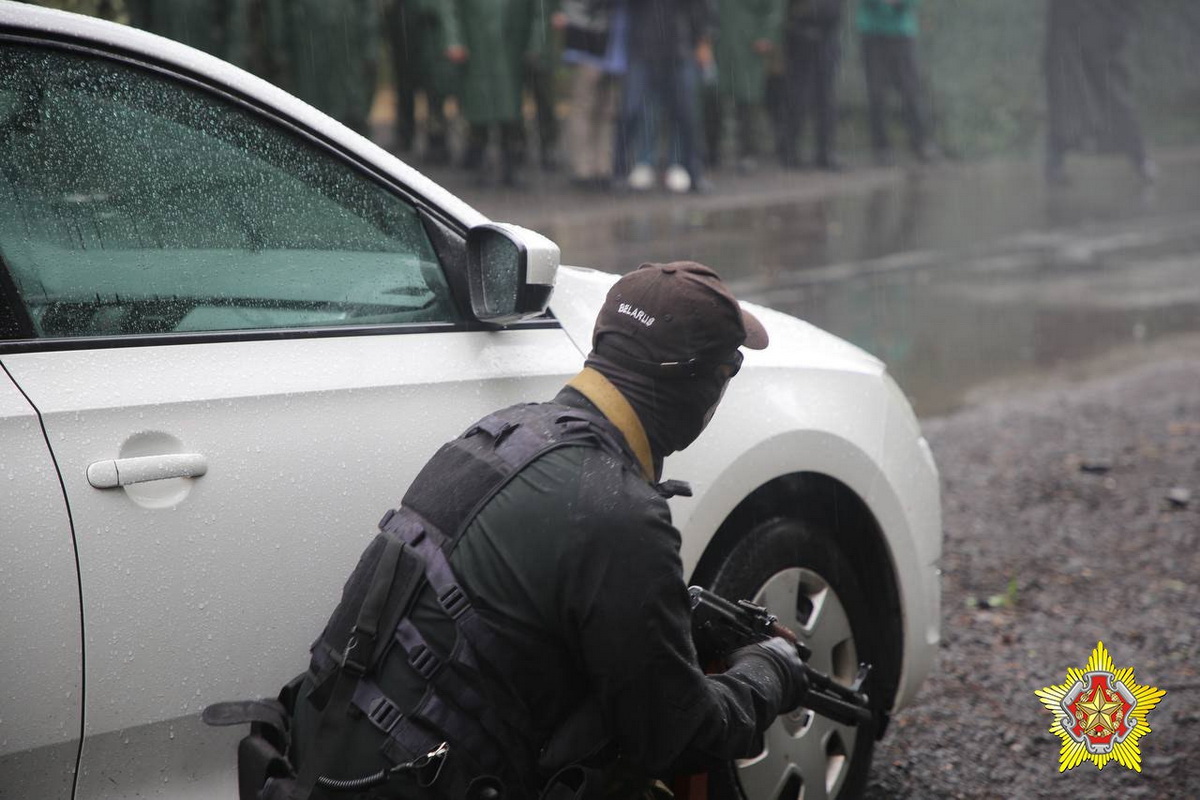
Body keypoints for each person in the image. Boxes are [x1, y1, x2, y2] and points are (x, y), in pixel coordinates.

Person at [279, 262, 810, 799]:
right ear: (690, 381)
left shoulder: (504, 434)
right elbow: (676, 735)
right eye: (728, 370)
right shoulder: (617, 510)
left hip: (318, 769)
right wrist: (769, 672)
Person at [1043, 0, 1156, 185]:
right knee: (1065, 101)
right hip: (1069, 34)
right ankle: (1054, 165)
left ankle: (1141, 159)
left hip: (1102, 36)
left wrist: (1119, 28)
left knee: (1116, 97)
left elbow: (1127, 9)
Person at [439, 0, 538, 187]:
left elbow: (536, 11)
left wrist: (535, 43)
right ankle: (480, 165)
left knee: (510, 110)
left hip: (510, 48)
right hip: (477, 46)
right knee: (479, 110)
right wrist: (454, 40)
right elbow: (450, 8)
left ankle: (510, 167)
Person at [617, 0, 712, 193]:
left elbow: (702, 7)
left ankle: (692, 172)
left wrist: (703, 40)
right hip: (642, 49)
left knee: (686, 114)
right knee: (631, 111)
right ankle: (620, 172)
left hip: (678, 49)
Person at [261, 0, 381, 136]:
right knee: (306, 126)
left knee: (350, 131)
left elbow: (368, 15)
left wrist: (370, 51)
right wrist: (278, 52)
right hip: (305, 55)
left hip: (345, 55)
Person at [706, 0, 783, 173]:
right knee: (713, 98)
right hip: (719, 43)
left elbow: (773, 9)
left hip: (748, 45)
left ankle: (747, 153)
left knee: (747, 100)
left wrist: (766, 35)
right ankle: (711, 152)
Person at [561, 0, 629, 190]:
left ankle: (602, 167)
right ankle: (583, 169)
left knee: (607, 110)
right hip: (588, 41)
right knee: (584, 106)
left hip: (615, 45)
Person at [856, 0, 933, 166]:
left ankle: (920, 142)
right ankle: (881, 148)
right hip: (873, 34)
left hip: (902, 34)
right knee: (876, 93)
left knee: (911, 91)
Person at [383, 0, 458, 164]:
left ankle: (437, 142)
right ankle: (405, 134)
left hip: (430, 43)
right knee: (405, 89)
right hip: (406, 38)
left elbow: (441, 11)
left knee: (434, 95)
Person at [777, 0, 846, 171]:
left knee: (826, 100)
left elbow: (836, 12)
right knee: (799, 99)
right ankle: (790, 151)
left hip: (827, 41)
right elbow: (790, 12)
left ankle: (825, 151)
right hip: (800, 41)